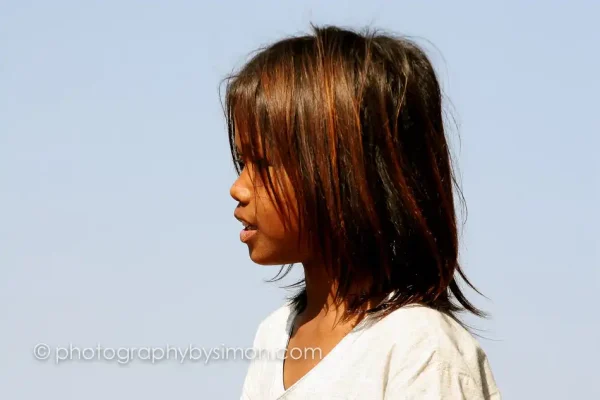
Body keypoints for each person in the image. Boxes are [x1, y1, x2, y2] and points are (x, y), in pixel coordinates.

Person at [225, 24, 501, 399]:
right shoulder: (273, 336)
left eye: (265, 162)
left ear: (346, 175)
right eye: (242, 162)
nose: (238, 188)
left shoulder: (420, 348)